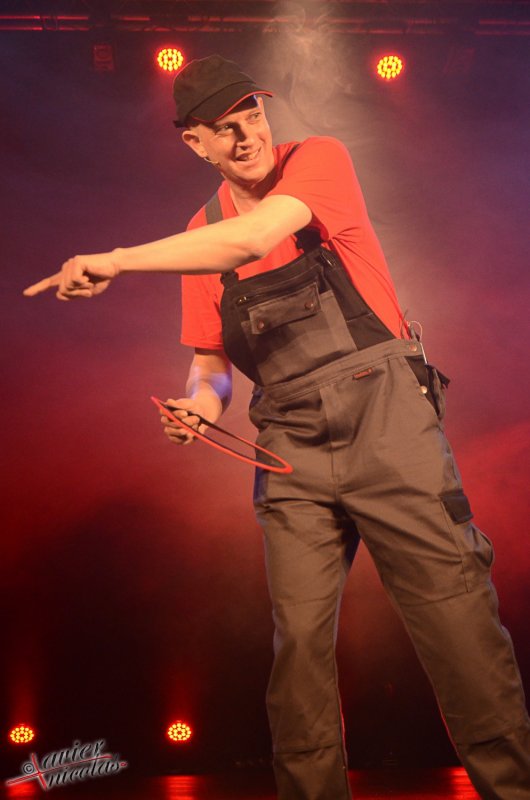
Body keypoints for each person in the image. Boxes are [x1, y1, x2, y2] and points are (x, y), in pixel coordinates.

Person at [24, 55, 530, 800]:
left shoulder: (317, 160)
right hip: (290, 447)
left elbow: (255, 238)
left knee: (457, 621)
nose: (247, 137)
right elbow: (211, 367)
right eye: (224, 129)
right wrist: (198, 407)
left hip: (387, 423)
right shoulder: (199, 235)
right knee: (298, 651)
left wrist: (117, 260)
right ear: (195, 143)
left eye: (253, 116)